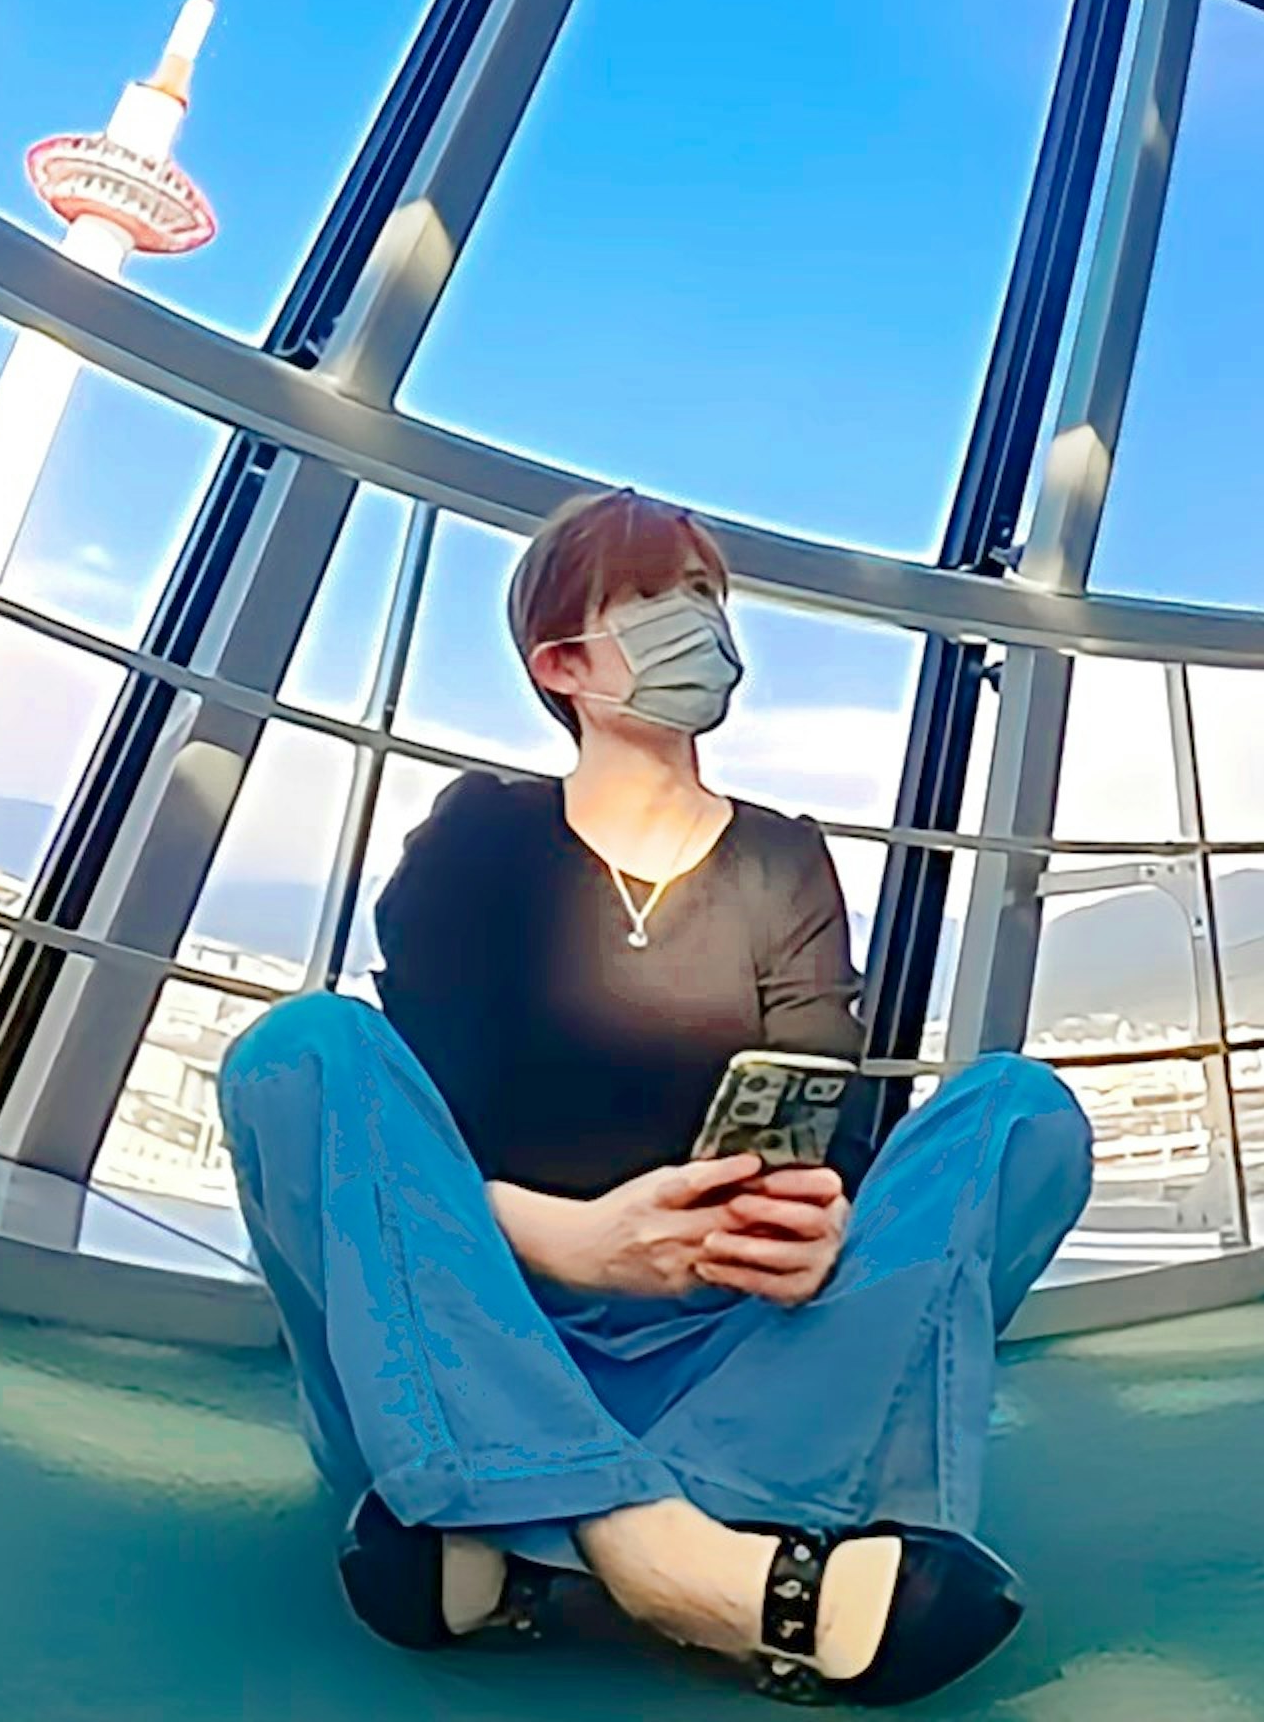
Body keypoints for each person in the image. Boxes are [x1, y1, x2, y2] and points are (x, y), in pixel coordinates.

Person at [222, 488, 1094, 1702]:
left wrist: (808, 1226)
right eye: (653, 598)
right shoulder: (482, 836)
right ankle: (669, 1551)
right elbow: (407, 1139)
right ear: (564, 661)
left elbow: (824, 1117)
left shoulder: (785, 856)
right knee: (304, 1051)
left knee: (1017, 1112)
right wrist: (578, 1238)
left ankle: (507, 1529)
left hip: (722, 1339)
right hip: (486, 1320)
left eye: (707, 595)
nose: (700, 622)